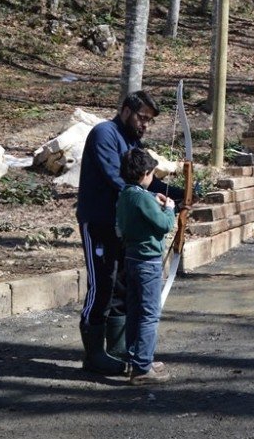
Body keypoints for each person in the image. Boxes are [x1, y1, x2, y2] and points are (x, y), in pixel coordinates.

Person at [76, 90, 181, 375]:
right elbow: (119, 179)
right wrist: (152, 204)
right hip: (98, 221)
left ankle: (121, 348)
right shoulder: (104, 133)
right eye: (141, 117)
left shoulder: (133, 141)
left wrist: (179, 194)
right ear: (125, 110)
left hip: (124, 227)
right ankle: (94, 354)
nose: (145, 124)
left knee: (122, 287)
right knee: (102, 286)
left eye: (149, 120)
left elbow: (142, 181)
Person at [116, 148, 175, 385]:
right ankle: (142, 368)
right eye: (151, 173)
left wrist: (154, 200)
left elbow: (140, 210)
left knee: (135, 311)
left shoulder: (127, 195)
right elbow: (163, 225)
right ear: (145, 173)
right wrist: (169, 208)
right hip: (147, 263)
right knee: (149, 314)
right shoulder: (142, 197)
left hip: (130, 259)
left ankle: (138, 358)